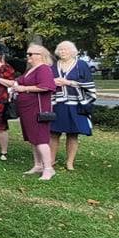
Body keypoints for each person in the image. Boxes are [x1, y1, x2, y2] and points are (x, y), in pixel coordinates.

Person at [0, 44, 57, 180]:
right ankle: (38, 165)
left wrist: (24, 89)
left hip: (38, 109)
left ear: (40, 56)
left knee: (40, 139)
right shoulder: (32, 69)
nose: (27, 56)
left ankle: (48, 168)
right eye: (27, 54)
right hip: (27, 108)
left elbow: (47, 86)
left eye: (30, 54)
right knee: (33, 139)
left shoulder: (43, 69)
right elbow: (16, 83)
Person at [50, 40, 96, 171]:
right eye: (61, 50)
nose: (63, 52)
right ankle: (51, 160)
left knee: (73, 134)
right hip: (57, 105)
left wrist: (68, 82)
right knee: (53, 133)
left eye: (66, 49)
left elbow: (88, 83)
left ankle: (70, 163)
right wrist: (53, 82)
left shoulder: (81, 65)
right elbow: (46, 82)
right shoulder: (53, 66)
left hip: (76, 105)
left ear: (73, 52)